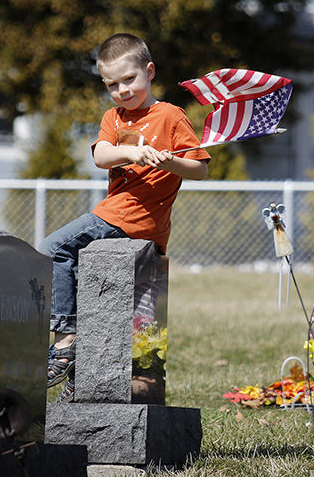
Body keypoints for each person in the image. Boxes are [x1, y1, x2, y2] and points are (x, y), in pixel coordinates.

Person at [41, 33, 210, 402]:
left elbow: (199, 169)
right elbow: (101, 156)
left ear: (149, 72)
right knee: (99, 294)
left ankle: (66, 340)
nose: (121, 90)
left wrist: (171, 160)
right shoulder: (112, 117)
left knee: (53, 247)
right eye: (111, 84)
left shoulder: (170, 115)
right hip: (118, 216)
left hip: (131, 219)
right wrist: (133, 152)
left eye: (129, 79)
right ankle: (86, 371)